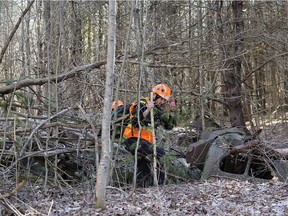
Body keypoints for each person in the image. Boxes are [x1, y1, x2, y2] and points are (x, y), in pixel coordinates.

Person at [122, 84, 177, 186]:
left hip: (146, 142)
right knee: (161, 154)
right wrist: (147, 110)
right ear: (155, 95)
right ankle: (161, 184)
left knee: (143, 167)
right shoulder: (143, 103)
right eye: (162, 99)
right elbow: (135, 121)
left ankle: (140, 187)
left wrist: (170, 111)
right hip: (133, 140)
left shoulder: (158, 111)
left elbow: (169, 126)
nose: (162, 102)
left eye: (164, 100)